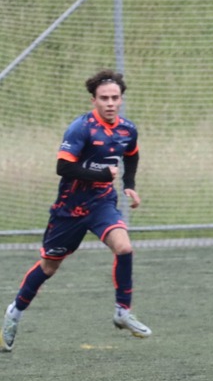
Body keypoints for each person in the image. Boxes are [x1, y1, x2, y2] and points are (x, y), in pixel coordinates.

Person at [2, 70, 151, 352]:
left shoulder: (127, 129)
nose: (110, 103)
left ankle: (122, 311)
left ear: (121, 99)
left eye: (115, 98)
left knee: (124, 248)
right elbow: (63, 167)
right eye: (104, 98)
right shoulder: (81, 128)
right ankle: (15, 312)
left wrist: (129, 184)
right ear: (93, 99)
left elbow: (132, 154)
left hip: (102, 204)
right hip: (69, 208)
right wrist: (101, 173)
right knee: (49, 267)